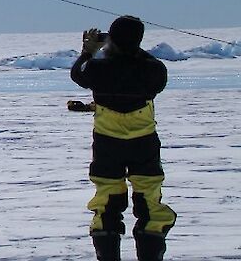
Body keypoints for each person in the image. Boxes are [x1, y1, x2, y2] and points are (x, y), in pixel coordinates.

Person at [70, 16, 174, 261]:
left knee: (107, 201)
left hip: (108, 143)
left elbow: (78, 74)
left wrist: (88, 52)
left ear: (113, 39)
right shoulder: (153, 69)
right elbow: (154, 74)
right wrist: (130, 48)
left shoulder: (98, 68)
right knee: (149, 200)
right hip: (144, 143)